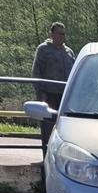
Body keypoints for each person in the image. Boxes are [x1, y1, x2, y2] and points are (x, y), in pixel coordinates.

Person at [31, 22, 74, 155]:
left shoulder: (69, 52)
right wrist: (41, 93)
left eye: (63, 34)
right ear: (52, 34)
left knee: (65, 128)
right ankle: (46, 156)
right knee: (48, 128)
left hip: (65, 97)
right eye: (59, 33)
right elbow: (36, 73)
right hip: (49, 95)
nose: (62, 36)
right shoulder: (44, 50)